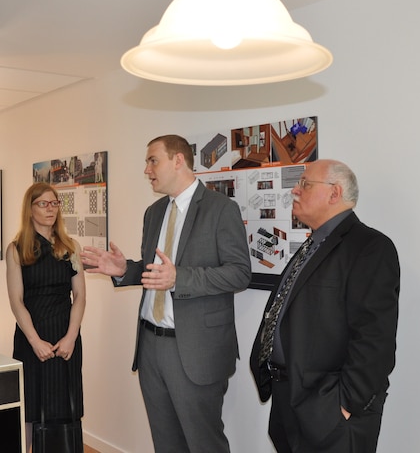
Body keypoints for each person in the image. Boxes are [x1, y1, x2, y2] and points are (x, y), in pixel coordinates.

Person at [80, 134, 251, 453]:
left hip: (195, 350)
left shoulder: (220, 209)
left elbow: (239, 273)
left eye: (152, 160)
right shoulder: (155, 211)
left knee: (203, 443)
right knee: (166, 442)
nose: (147, 170)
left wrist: (180, 278)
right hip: (150, 347)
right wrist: (124, 270)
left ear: (178, 160)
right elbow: (153, 271)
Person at [250, 159, 400, 453]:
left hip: (329, 411)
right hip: (289, 399)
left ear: (335, 193)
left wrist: (344, 405)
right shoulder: (313, 245)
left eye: (305, 183)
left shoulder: (370, 247)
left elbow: (375, 340)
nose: (295, 190)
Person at [6, 182, 87, 453]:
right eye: (43, 204)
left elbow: (80, 297)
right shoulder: (17, 249)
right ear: (30, 210)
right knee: (30, 405)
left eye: (54, 203)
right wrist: (34, 341)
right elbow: (16, 300)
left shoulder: (70, 246)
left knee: (67, 404)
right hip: (32, 337)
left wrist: (71, 336)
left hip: (66, 336)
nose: (50, 209)